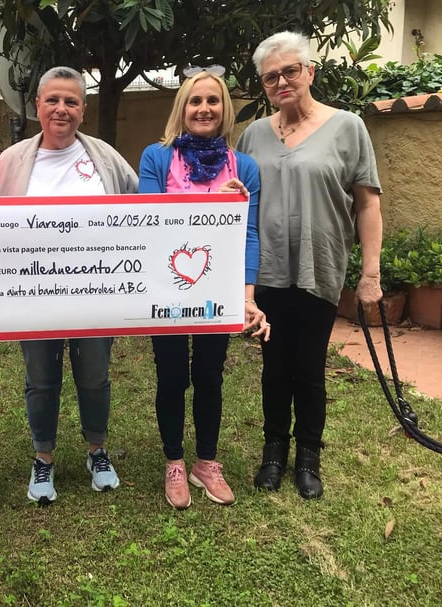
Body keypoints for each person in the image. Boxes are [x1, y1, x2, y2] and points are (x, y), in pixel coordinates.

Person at [237, 31, 383, 499]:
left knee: (309, 367)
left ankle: (308, 458)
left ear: (310, 72)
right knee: (274, 368)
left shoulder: (347, 127)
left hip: (319, 267)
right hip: (267, 271)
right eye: (270, 77)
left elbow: (368, 204)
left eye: (290, 71)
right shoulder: (253, 135)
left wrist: (371, 274)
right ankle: (273, 452)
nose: (282, 82)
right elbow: (237, 204)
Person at [0, 66, 138, 505]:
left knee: (94, 375)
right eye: (52, 100)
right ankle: (43, 457)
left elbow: (146, 208)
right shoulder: (10, 162)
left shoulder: (105, 158)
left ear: (83, 110)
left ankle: (97, 451)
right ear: (37, 106)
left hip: (96, 292)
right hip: (33, 293)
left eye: (71, 101)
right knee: (41, 378)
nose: (61, 109)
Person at [138, 67, 270, 509]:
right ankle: (174, 460)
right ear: (182, 108)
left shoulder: (244, 167)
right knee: (172, 375)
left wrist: (248, 298)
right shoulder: (156, 158)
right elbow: (151, 221)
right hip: (167, 289)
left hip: (219, 291)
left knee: (210, 375)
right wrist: (217, 204)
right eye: (195, 101)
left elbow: (248, 234)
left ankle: (206, 462)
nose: (204, 108)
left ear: (224, 109)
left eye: (213, 100)